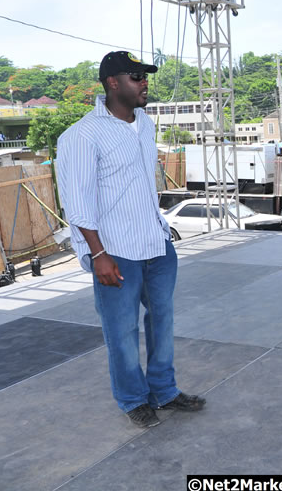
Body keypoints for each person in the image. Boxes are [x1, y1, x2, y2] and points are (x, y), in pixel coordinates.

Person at [57, 51, 206, 428]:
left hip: (157, 245)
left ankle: (165, 390)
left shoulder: (146, 124)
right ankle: (132, 399)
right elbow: (77, 201)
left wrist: (163, 237)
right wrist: (98, 254)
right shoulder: (81, 135)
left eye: (145, 77)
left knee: (162, 323)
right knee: (122, 332)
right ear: (112, 83)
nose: (144, 84)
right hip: (115, 251)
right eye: (137, 77)